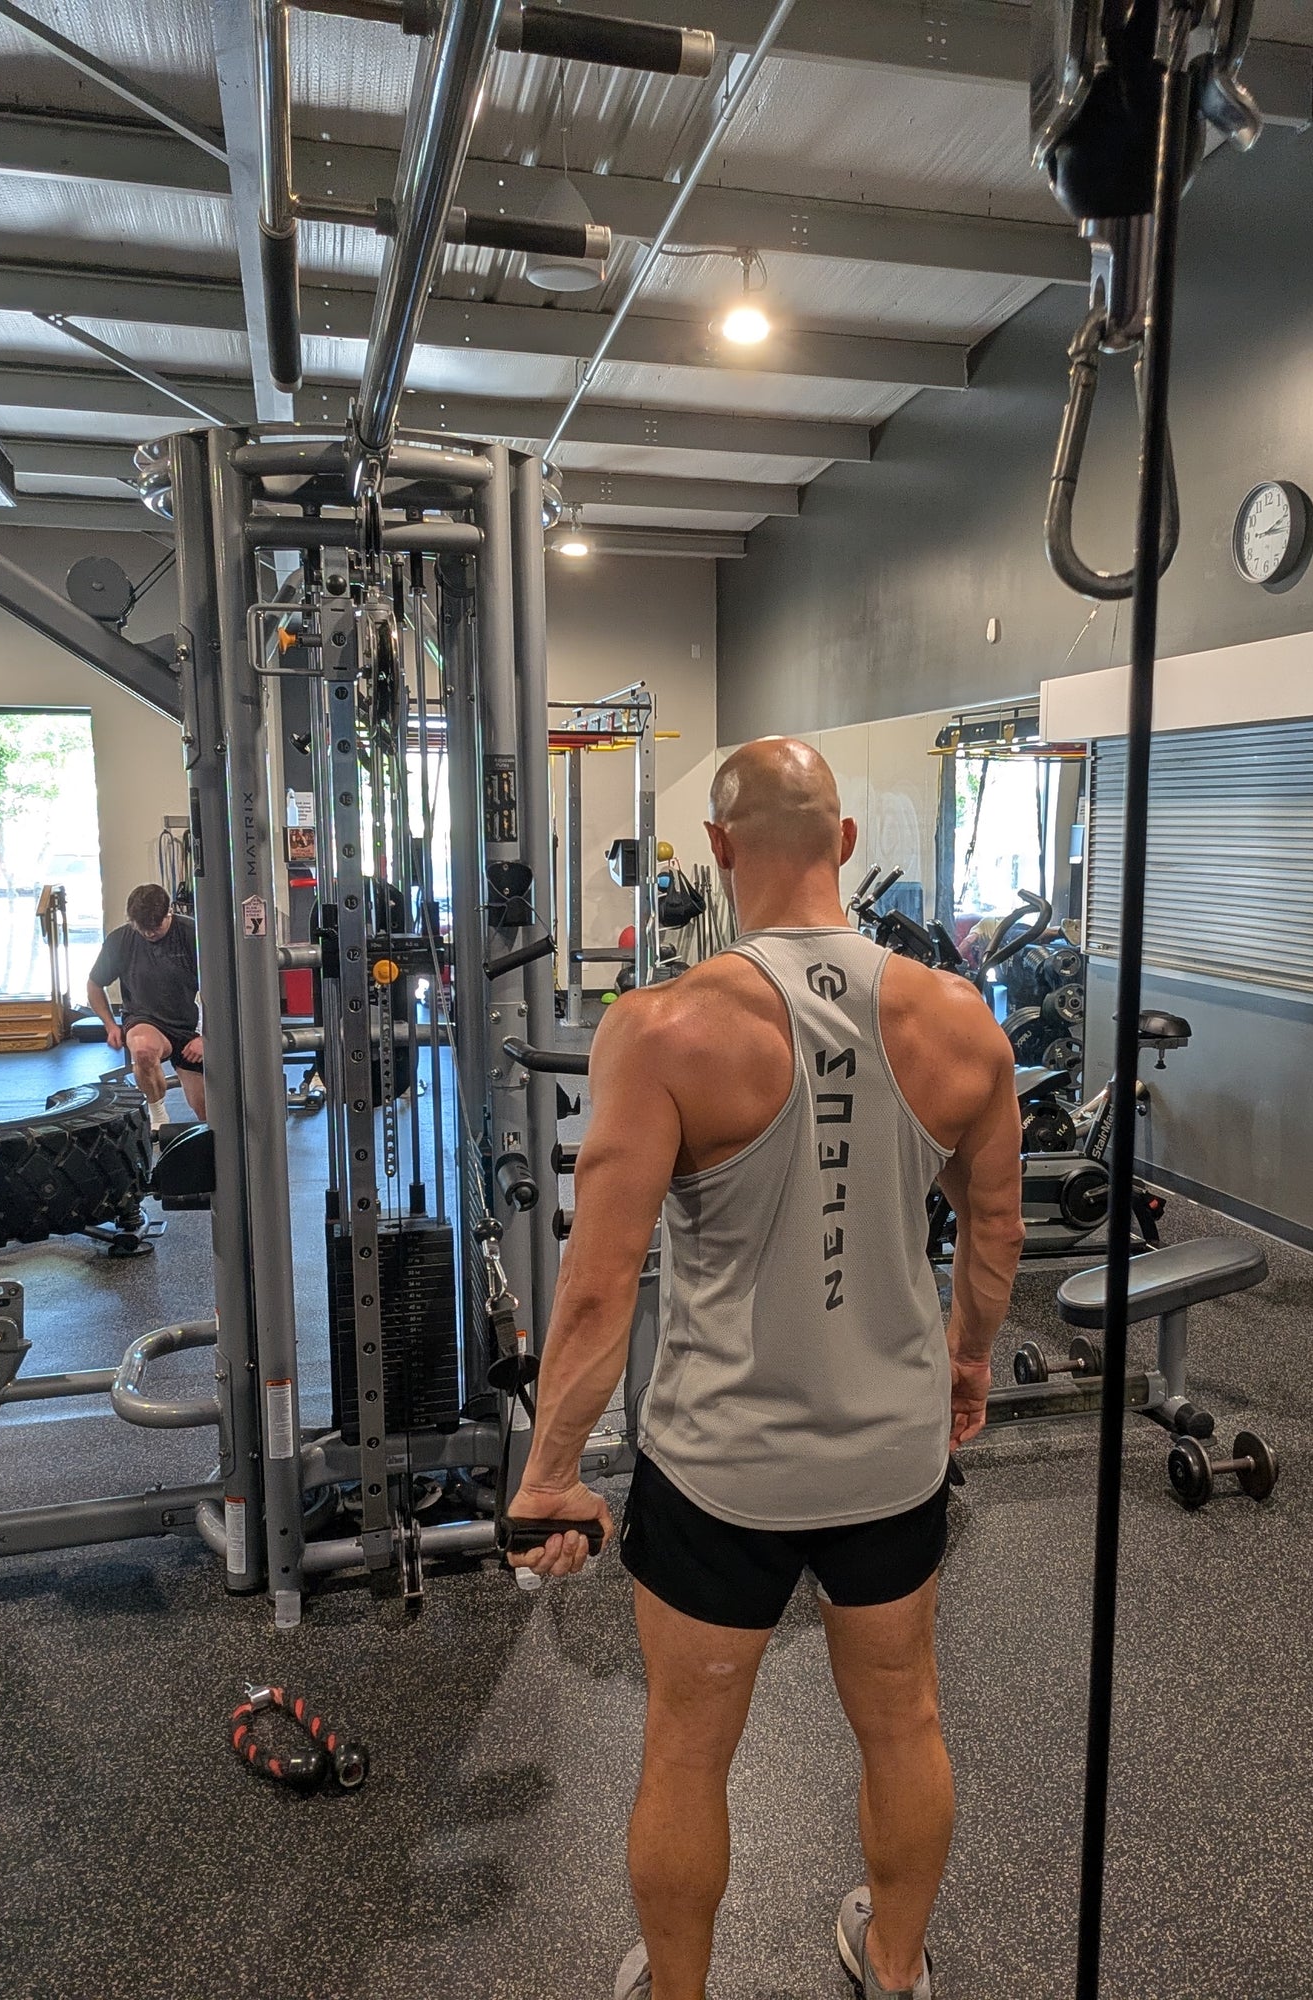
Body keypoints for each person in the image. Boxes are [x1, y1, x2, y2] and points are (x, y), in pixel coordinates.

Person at [507, 738, 1025, 2000]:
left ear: (722, 852)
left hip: (720, 1467)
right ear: (844, 846)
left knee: (687, 1752)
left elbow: (594, 1286)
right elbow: (998, 1226)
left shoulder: (665, 1025)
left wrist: (551, 1475)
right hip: (889, 1453)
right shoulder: (960, 1021)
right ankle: (892, 1968)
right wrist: (965, 1361)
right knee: (902, 1721)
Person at [87, 884, 205, 1126]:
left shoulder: (193, 934)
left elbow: (221, 990)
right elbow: (94, 985)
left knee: (209, 1117)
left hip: (188, 1027)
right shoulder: (120, 940)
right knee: (142, 1048)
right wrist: (110, 1025)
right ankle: (158, 1117)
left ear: (169, 913)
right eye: (143, 929)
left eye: (155, 928)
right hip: (144, 1021)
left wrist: (207, 1038)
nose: (149, 934)